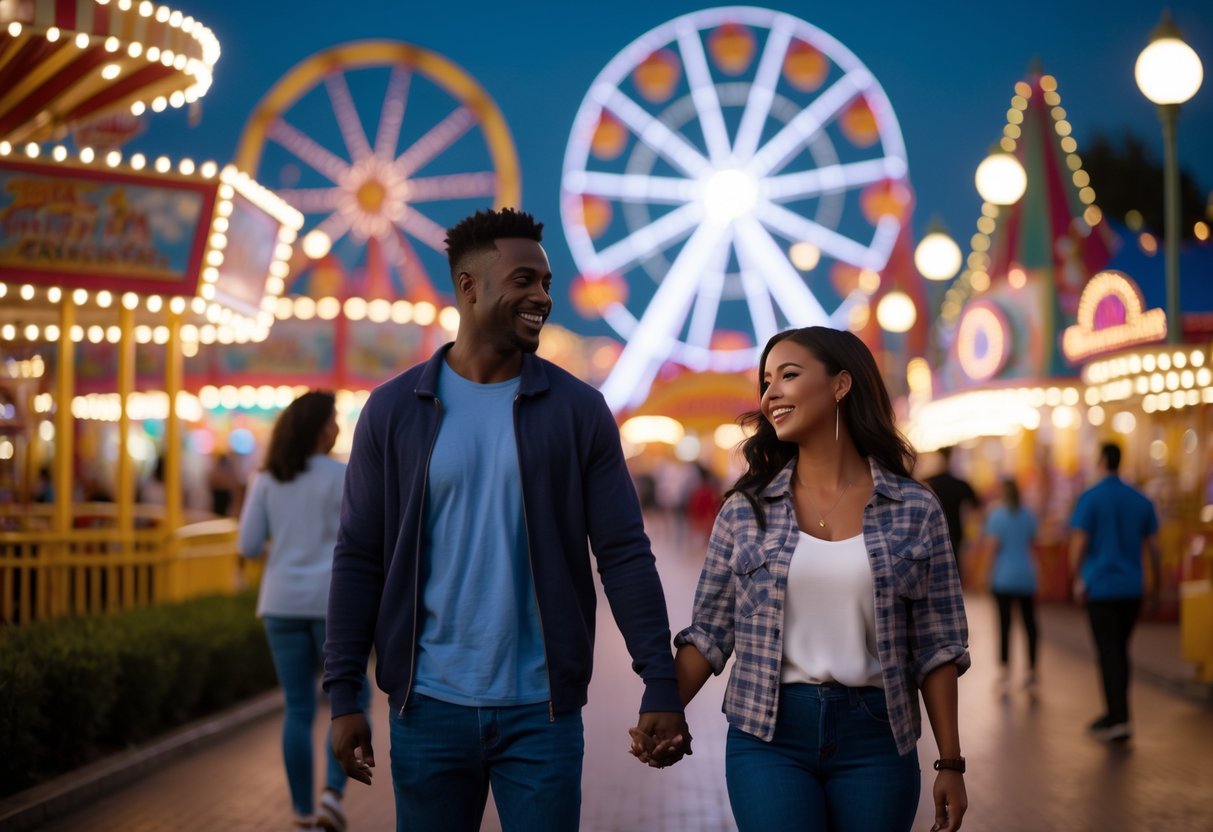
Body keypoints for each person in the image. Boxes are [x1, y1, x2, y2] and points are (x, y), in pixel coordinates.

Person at [323, 207, 688, 831]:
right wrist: (343, 693)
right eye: (524, 281)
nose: (541, 297)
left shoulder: (580, 412)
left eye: (545, 283)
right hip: (426, 706)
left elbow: (624, 551)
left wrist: (660, 679)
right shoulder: (393, 412)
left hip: (542, 712)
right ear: (470, 287)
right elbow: (359, 554)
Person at [635, 327, 969, 832]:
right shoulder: (744, 511)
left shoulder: (915, 509)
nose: (771, 394)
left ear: (840, 385)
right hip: (767, 734)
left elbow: (937, 647)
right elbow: (710, 633)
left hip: (878, 738)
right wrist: (662, 708)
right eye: (766, 382)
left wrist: (951, 761)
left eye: (788, 375)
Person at [239, 390, 369, 832]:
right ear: (320, 428)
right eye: (333, 421)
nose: (337, 429)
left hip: (280, 604)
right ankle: (333, 794)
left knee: (296, 709)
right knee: (350, 698)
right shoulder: (343, 474)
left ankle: (301, 813)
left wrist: (287, 546)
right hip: (334, 604)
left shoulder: (266, 479)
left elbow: (248, 545)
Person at [1069, 442, 1161, 742]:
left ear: (1102, 460)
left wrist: (1076, 578)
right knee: (1120, 649)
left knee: (1108, 652)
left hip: (1101, 587)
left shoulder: (1090, 498)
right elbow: (1155, 550)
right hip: (1132, 589)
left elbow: (1079, 544)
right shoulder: (1141, 500)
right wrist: (1156, 586)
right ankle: (1116, 713)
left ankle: (1118, 717)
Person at [983, 477, 1039, 695]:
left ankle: (1005, 671)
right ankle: (1032, 671)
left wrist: (986, 575)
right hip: (1026, 575)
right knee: (1030, 625)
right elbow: (1033, 544)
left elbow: (992, 548)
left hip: (1003, 576)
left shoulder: (997, 515)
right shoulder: (1028, 515)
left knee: (1004, 624)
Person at [926, 446, 980, 581]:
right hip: (955, 533)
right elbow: (977, 508)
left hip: (931, 533)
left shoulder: (928, 482)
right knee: (954, 572)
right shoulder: (961, 484)